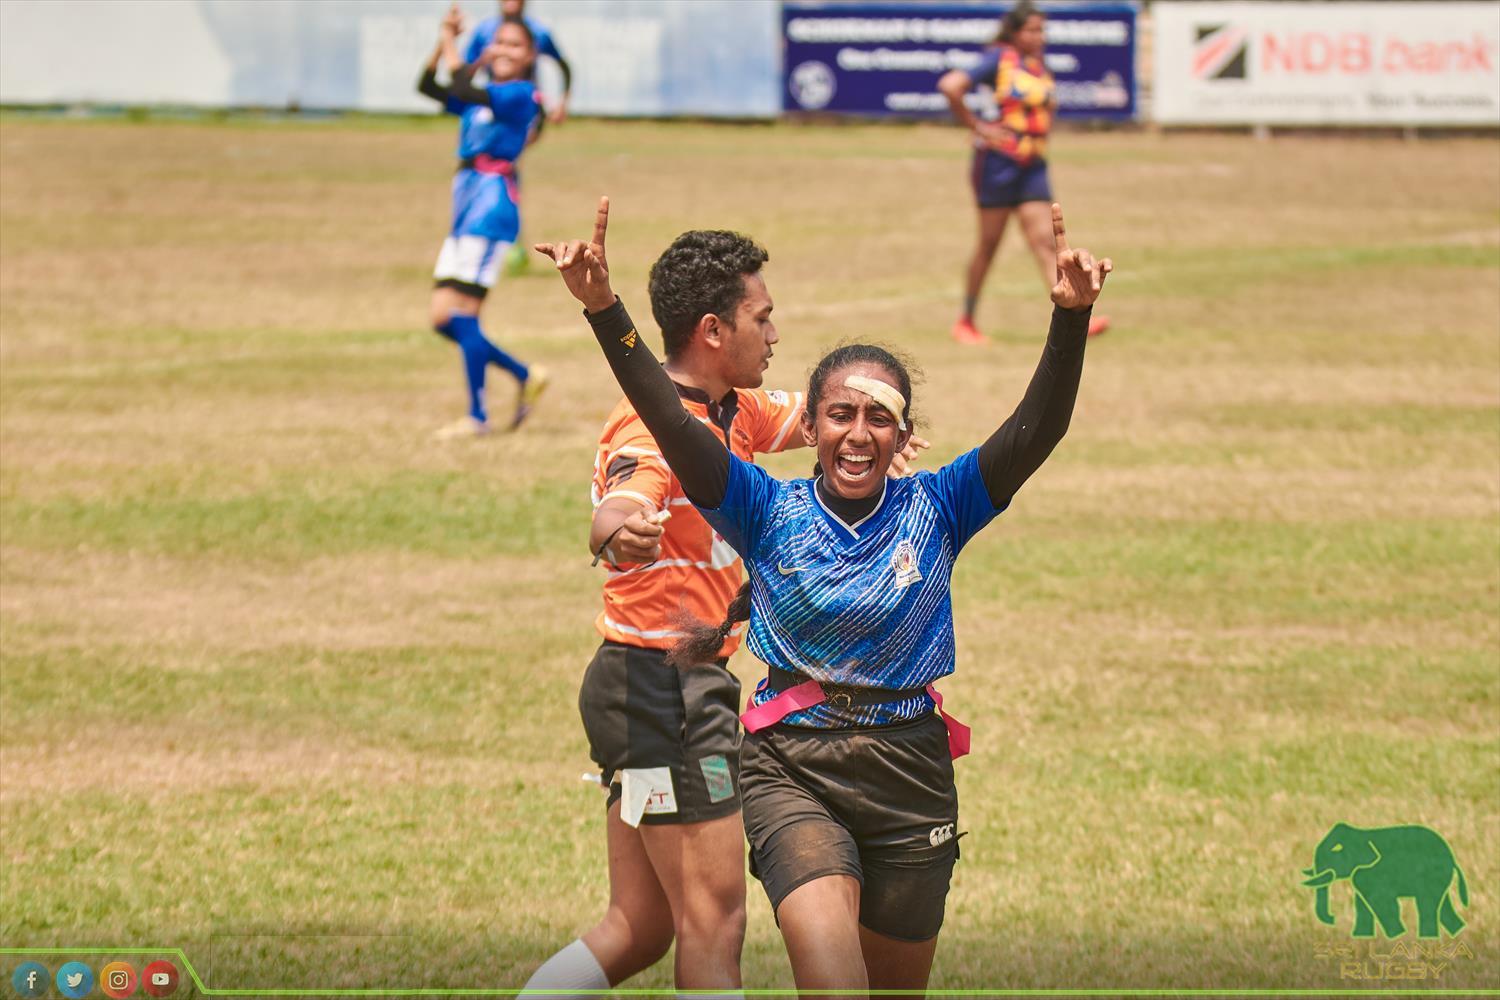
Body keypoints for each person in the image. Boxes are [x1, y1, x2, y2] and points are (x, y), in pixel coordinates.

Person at [536, 195, 1109, 991]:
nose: (856, 431)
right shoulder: (759, 504)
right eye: (839, 414)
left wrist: (1069, 320)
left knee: (645, 928)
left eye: (881, 418)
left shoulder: (934, 501)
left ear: (904, 435)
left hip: (909, 766)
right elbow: (659, 430)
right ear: (817, 420)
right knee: (753, 942)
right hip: (764, 747)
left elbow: (1033, 430)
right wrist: (605, 312)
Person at [523, 228, 928, 995]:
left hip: (659, 689)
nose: (775, 334)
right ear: (714, 332)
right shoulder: (652, 429)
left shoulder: (731, 409)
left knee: (639, 927)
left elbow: (817, 417)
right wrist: (619, 531)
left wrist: (875, 430)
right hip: (661, 692)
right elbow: (622, 501)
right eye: (762, 318)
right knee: (715, 921)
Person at [938, 0, 1110, 345]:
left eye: (1042, 29)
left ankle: (1074, 317)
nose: (1039, 36)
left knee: (1047, 242)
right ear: (1015, 32)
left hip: (1033, 165)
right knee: (989, 244)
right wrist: (980, 127)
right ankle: (966, 321)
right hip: (999, 165)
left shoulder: (1036, 65)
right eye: (1032, 29)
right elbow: (951, 85)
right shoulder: (998, 59)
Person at [417, 8, 548, 438]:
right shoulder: (485, 95)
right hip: (465, 208)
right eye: (500, 42)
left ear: (530, 55)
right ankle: (524, 375)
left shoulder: (520, 95)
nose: (505, 50)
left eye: (515, 45)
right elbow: (428, 86)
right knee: (442, 318)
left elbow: (459, 84)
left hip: (491, 209)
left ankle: (477, 417)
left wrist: (456, 46)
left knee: (465, 316)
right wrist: (444, 41)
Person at [465, 0, 574, 277]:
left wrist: (563, 102)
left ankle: (509, 241)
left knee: (505, 164)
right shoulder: (486, 30)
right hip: (494, 109)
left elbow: (563, 64)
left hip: (524, 109)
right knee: (502, 168)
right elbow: (467, 69)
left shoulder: (537, 32)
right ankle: (508, 240)